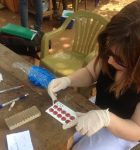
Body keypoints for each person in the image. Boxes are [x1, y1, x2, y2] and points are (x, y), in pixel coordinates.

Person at [47, 1, 140, 149]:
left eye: (120, 61)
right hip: (97, 108)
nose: (109, 60)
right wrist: (67, 80)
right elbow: (90, 72)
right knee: (57, 134)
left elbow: (137, 130)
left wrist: (107, 119)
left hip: (122, 130)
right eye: (108, 51)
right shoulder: (115, 51)